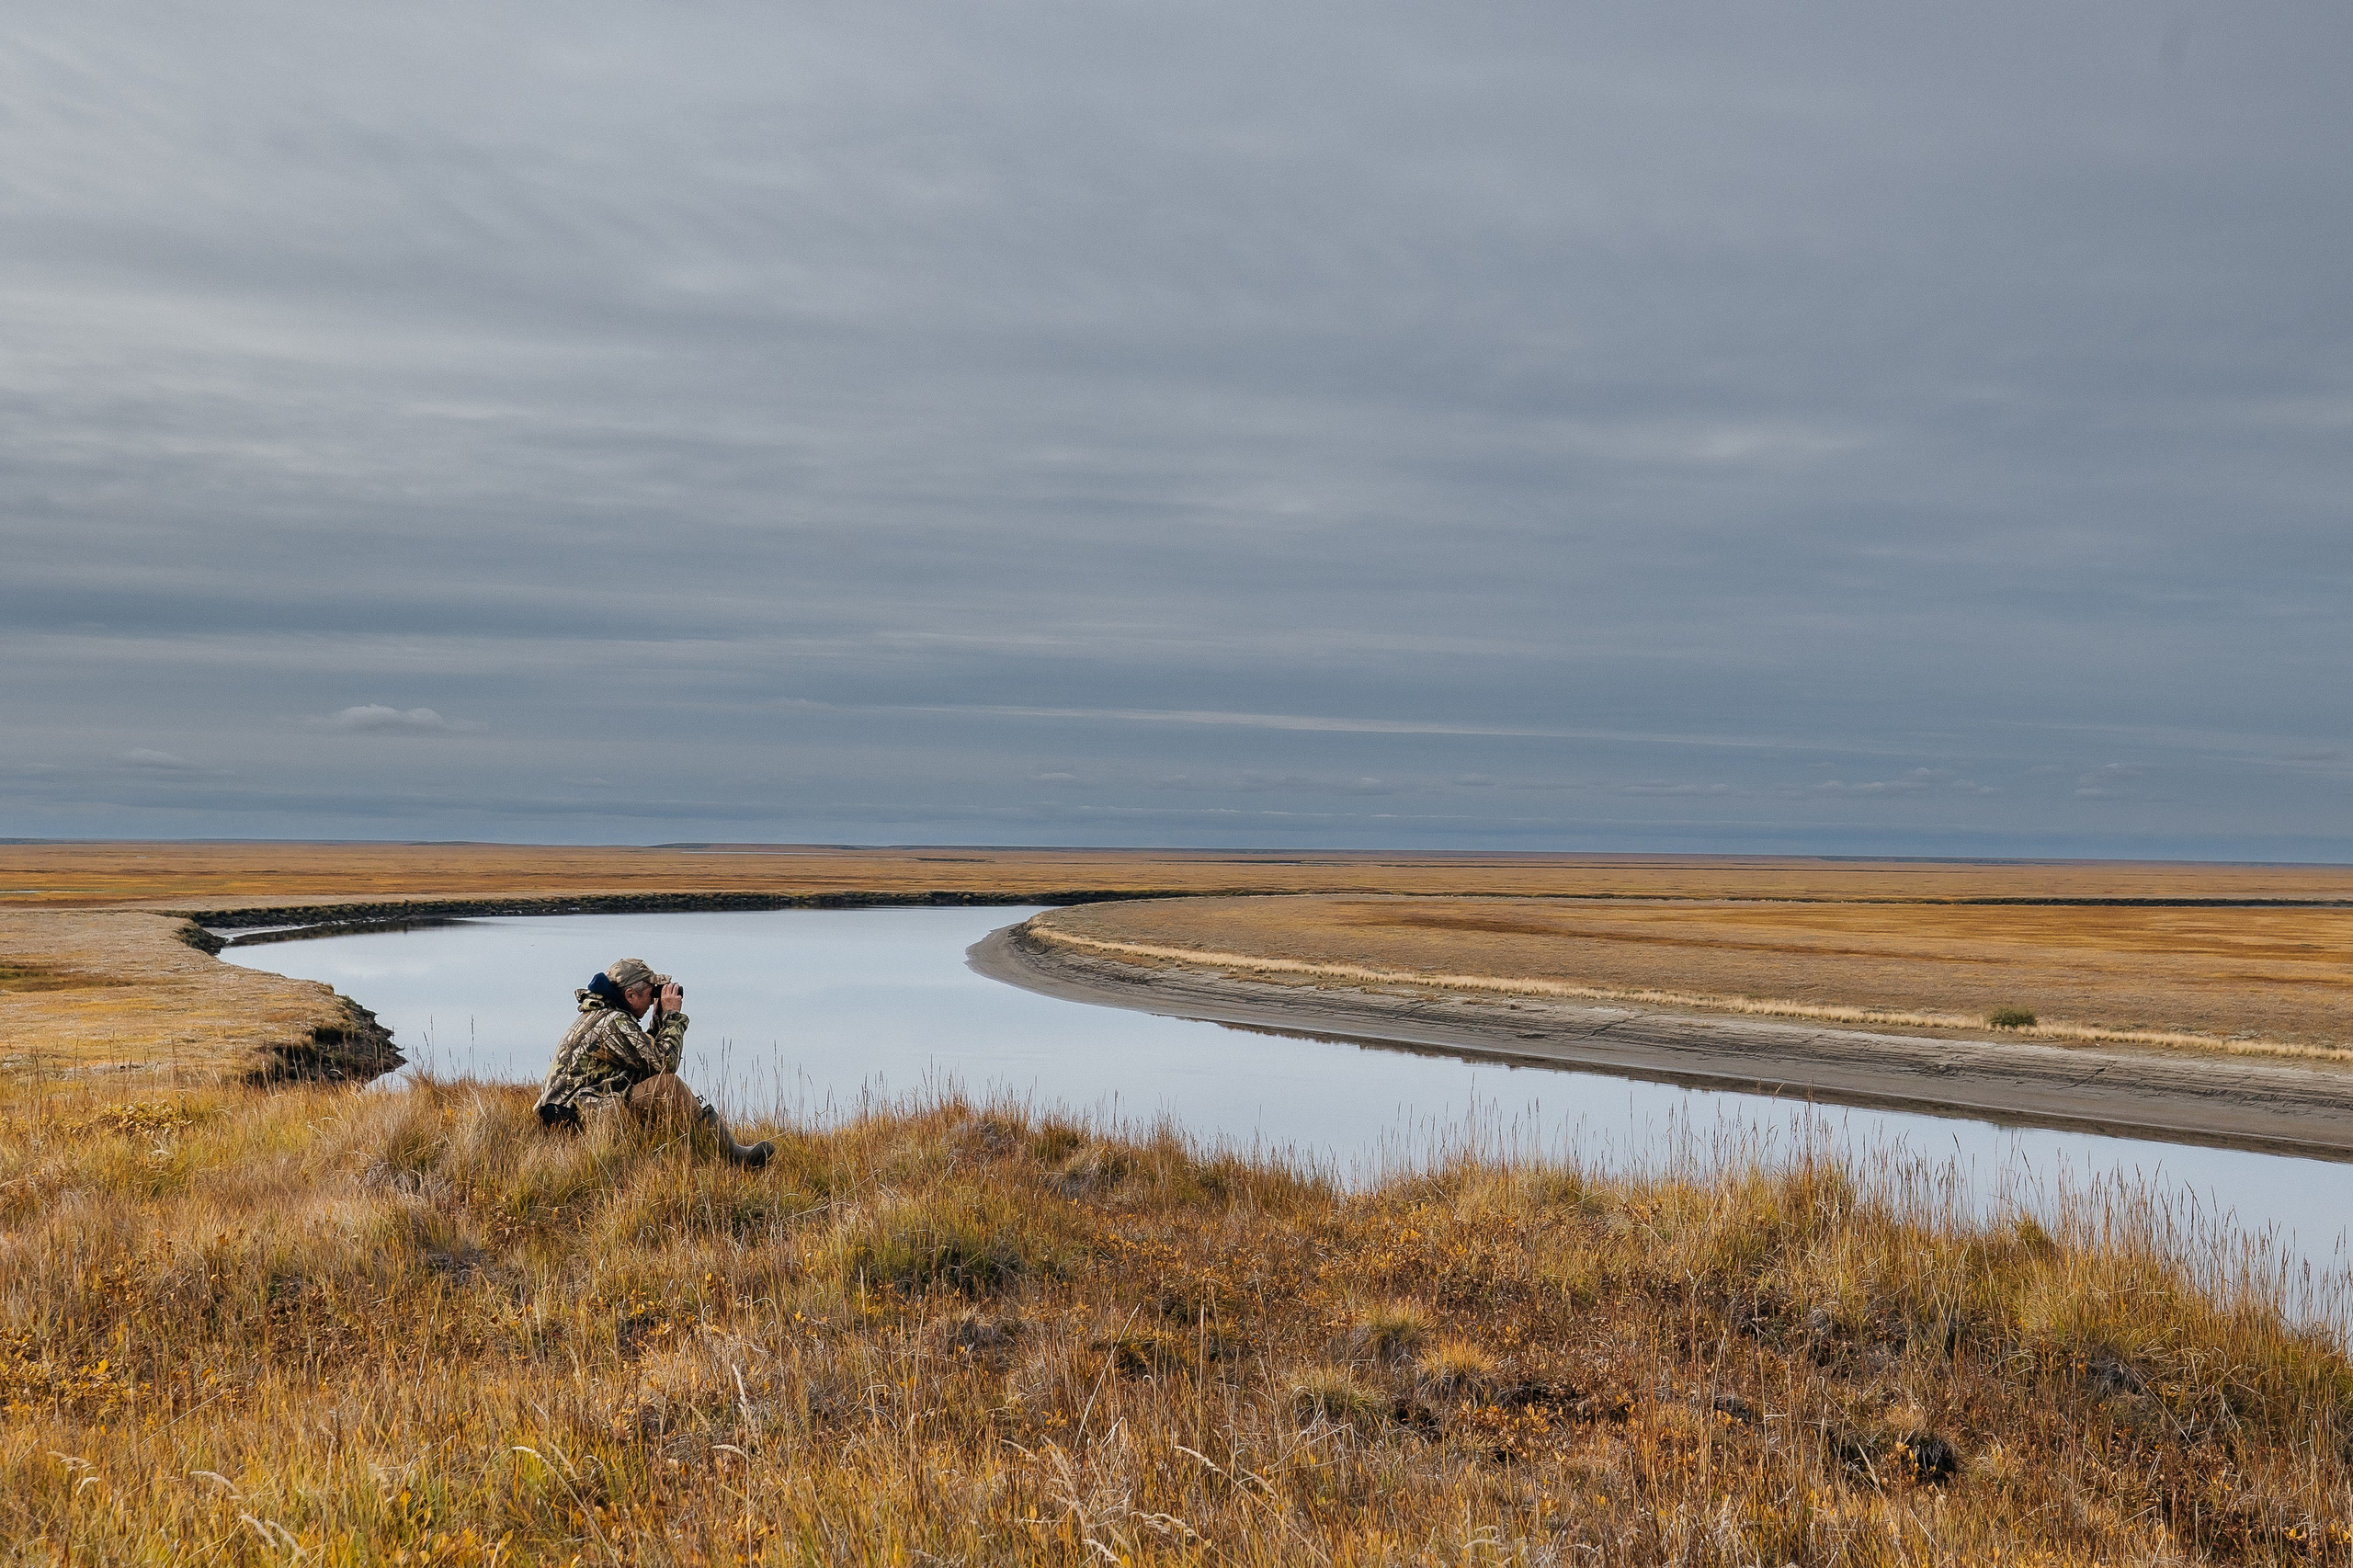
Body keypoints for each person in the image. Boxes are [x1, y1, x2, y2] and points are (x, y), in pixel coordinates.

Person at [534, 956, 774, 1168]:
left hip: (572, 1113)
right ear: (630, 995)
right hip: (576, 1120)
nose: (652, 1000)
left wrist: (657, 1020)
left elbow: (642, 1060)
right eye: (651, 993)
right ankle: (731, 1156)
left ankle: (694, 1150)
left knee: (655, 1084)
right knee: (668, 1086)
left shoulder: (602, 1015)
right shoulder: (613, 1022)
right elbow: (664, 1064)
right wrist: (672, 1017)